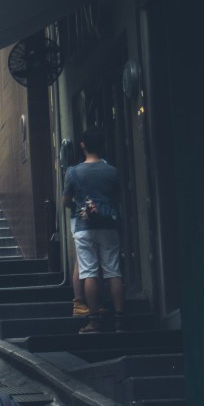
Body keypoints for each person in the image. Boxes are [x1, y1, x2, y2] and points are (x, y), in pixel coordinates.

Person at [62, 127, 125, 334]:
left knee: (89, 271)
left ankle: (94, 321)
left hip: (84, 227)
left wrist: (81, 208)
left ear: (82, 145)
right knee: (113, 271)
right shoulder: (112, 171)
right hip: (108, 226)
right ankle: (120, 320)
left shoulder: (73, 172)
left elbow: (66, 201)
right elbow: (117, 198)